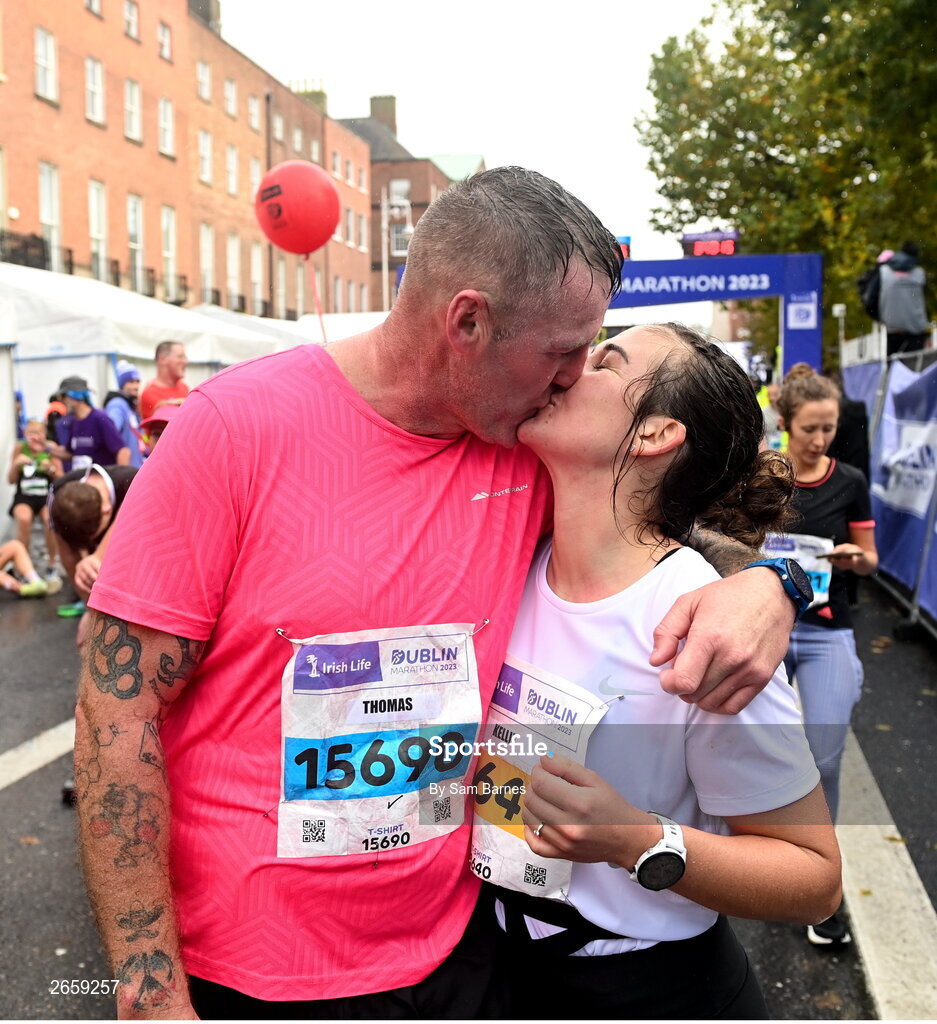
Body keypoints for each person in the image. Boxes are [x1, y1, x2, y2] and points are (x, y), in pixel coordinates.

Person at [74, 167, 802, 1019]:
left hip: (457, 956)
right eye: (564, 350)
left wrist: (766, 583)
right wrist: (147, 990)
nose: (570, 379)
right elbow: (113, 714)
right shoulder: (234, 430)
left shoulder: (519, 450)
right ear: (467, 321)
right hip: (247, 971)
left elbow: (647, 532)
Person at [476, 324, 840, 1019]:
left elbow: (813, 879)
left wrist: (637, 841)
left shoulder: (700, 624)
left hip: (649, 989)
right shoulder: (508, 559)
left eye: (604, 361)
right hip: (496, 972)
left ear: (653, 435)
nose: (568, 366)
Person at [775, 364, 878, 946]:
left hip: (825, 630)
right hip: (767, 628)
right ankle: (750, 859)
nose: (820, 440)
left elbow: (871, 558)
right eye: (810, 429)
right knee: (726, 741)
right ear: (785, 424)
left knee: (826, 759)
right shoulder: (762, 474)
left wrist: (850, 559)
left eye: (829, 429)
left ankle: (818, 882)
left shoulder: (851, 480)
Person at [49, 463, 138, 637]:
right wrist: (92, 612)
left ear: (107, 512)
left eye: (93, 536)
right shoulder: (57, 492)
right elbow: (69, 558)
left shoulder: (133, 482)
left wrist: (97, 556)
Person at [7, 418, 63, 578]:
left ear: (45, 434)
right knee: (23, 519)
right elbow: (10, 480)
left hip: (45, 496)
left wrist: (51, 469)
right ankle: (23, 565)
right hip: (24, 496)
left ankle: (52, 563)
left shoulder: (51, 449)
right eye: (31, 433)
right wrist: (15, 465)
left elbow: (61, 479)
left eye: (38, 433)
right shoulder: (20, 448)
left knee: (49, 519)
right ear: (25, 434)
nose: (35, 437)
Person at [48, 379, 130, 471]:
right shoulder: (73, 422)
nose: (61, 402)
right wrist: (45, 448)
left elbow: (123, 451)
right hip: (83, 481)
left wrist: (121, 481)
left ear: (75, 396)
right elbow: (72, 455)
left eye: (63, 397)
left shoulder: (99, 418)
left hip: (100, 482)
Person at [878, 242, 930, 356]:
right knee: (915, 365)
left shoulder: (884, 271)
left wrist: (880, 318)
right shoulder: (919, 272)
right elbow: (924, 300)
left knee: (893, 364)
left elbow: (871, 299)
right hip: (916, 328)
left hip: (892, 327)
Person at [104, 360, 145, 468]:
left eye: (137, 381)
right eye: (131, 382)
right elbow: (110, 433)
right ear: (122, 384)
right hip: (125, 471)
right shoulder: (117, 404)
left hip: (136, 467)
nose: (136, 386)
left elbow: (140, 435)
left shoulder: (130, 405)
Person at [139, 341, 189, 420]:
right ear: (162, 359)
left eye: (185, 358)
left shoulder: (184, 387)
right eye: (180, 357)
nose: (185, 361)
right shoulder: (150, 393)